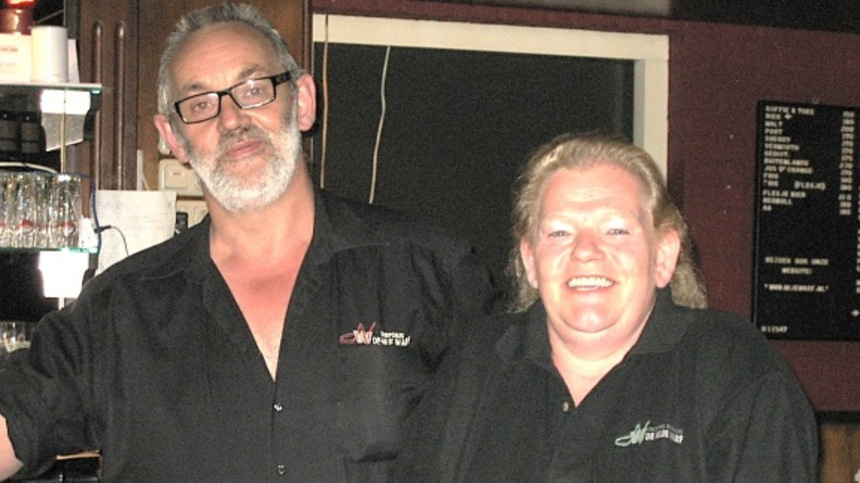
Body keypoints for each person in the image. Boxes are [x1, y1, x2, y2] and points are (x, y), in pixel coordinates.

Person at [0, 3, 501, 481]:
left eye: (254, 89)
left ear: (302, 102)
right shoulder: (117, 310)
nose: (232, 119)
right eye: (200, 104)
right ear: (173, 138)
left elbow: (523, 427)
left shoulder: (429, 270)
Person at [393, 132, 819, 482]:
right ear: (530, 261)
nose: (585, 251)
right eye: (559, 232)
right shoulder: (477, 362)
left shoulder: (736, 371)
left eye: (616, 230)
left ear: (663, 256)